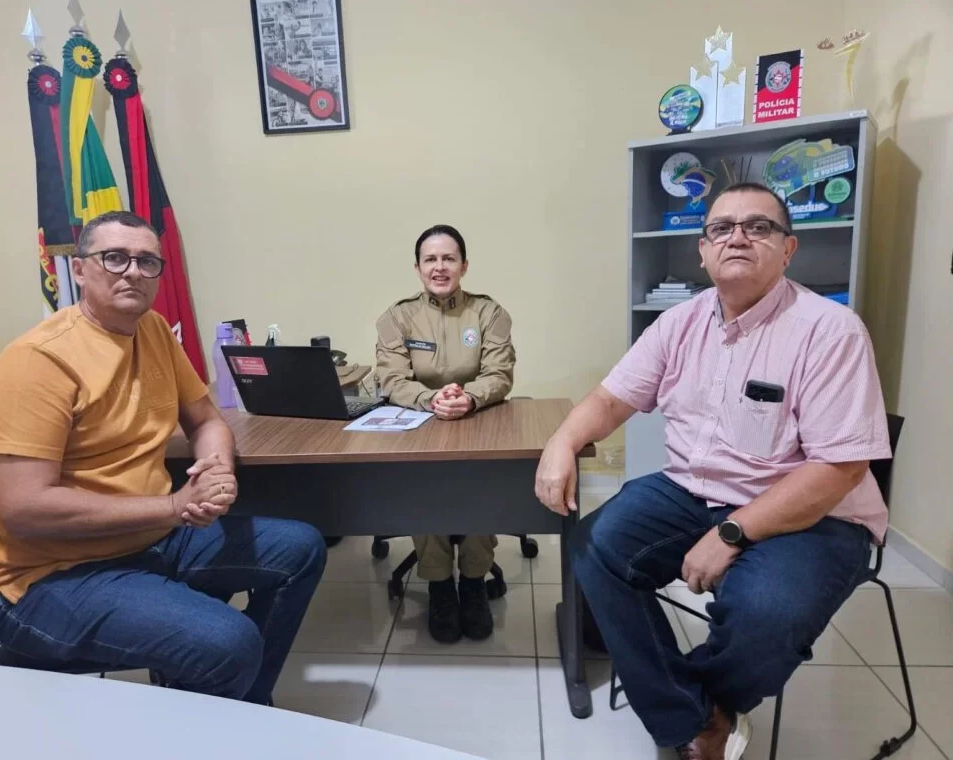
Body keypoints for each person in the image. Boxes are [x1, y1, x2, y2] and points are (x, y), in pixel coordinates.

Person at [535, 183, 890, 760]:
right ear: (703, 251)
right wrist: (562, 441)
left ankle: (702, 707)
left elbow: (839, 469)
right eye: (721, 228)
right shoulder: (678, 323)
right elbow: (610, 398)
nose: (738, 238)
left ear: (788, 248)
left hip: (815, 512)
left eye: (758, 227)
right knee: (594, 546)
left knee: (766, 613)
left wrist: (731, 533)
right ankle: (696, 717)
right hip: (693, 489)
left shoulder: (831, 330)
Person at [0, 210, 326, 704]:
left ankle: (244, 707)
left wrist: (217, 472)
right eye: (115, 258)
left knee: (301, 548)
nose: (133, 272)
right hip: (45, 577)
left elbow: (206, 421)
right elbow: (24, 508)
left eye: (147, 261)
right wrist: (175, 506)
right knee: (229, 642)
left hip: (149, 537)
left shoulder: (153, 330)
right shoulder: (38, 361)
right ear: (79, 269)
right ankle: (218, 701)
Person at [375, 224, 515, 643]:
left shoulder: (489, 313)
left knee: (479, 487)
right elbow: (391, 379)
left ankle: (473, 583)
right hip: (419, 425)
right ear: (418, 268)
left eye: (449, 259)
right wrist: (430, 399)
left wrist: (468, 398)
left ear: (464, 266)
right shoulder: (397, 317)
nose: (439, 267)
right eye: (430, 259)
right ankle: (439, 586)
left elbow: (499, 374)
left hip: (477, 421)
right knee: (425, 487)